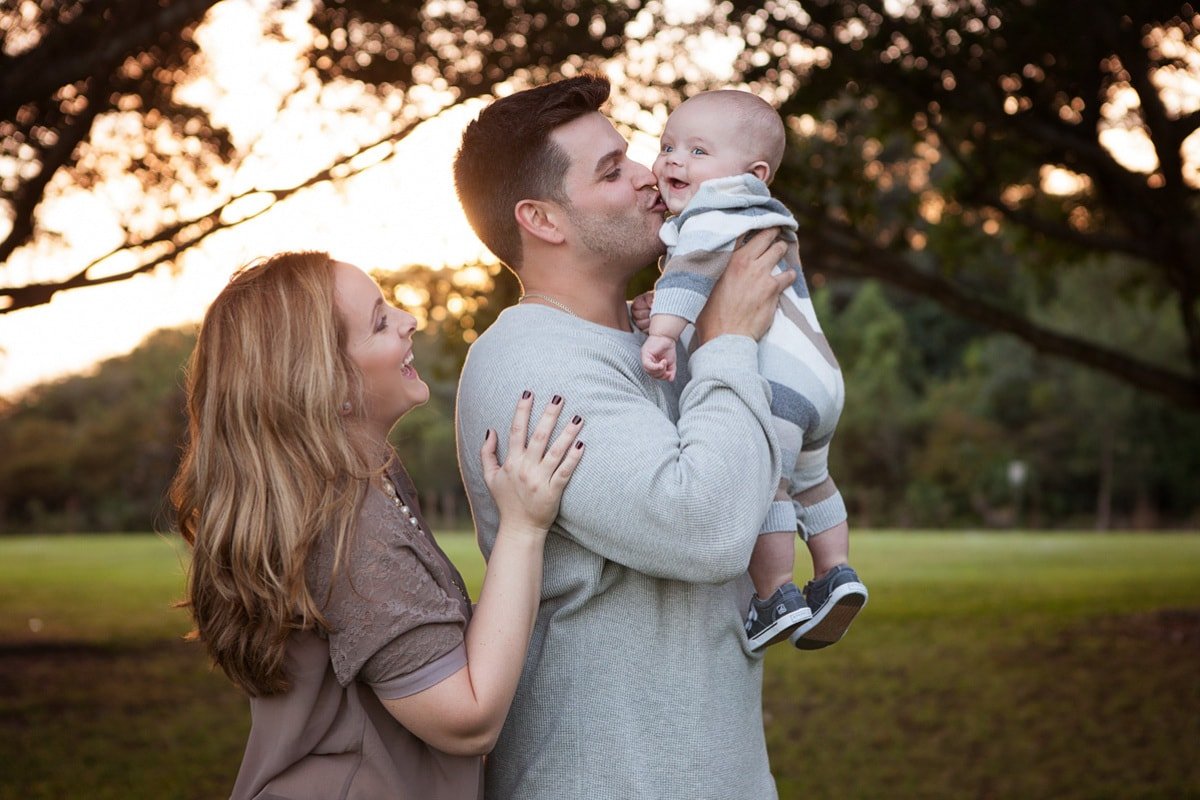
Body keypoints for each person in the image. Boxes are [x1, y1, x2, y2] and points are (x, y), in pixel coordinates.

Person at [452, 74, 793, 799]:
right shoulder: (532, 364)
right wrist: (731, 339)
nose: (652, 177)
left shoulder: (651, 342)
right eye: (613, 171)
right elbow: (701, 526)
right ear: (543, 220)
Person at [170, 251, 585, 800]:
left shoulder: (366, 481)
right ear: (328, 384)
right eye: (380, 322)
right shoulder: (347, 525)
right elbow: (468, 718)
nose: (409, 321)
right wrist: (524, 528)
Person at [640, 89, 869, 651]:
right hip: (817, 374)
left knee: (769, 486)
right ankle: (836, 572)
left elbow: (692, 271)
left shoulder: (713, 210)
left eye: (697, 151)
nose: (673, 160)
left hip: (774, 386)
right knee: (813, 480)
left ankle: (774, 596)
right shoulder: (762, 214)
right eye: (668, 145)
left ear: (754, 172)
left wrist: (663, 332)